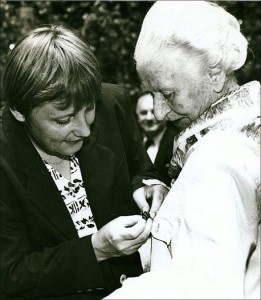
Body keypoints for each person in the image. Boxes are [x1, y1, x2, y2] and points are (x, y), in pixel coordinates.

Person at [0, 25, 169, 300]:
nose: (85, 130)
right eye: (63, 120)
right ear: (19, 111)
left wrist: (148, 185)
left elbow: (141, 170)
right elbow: (10, 276)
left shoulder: (113, 104)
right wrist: (96, 248)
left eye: (89, 108)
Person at [105, 1, 260, 299]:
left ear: (215, 74)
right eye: (151, 93)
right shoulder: (237, 136)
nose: (160, 112)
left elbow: (201, 289)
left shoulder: (219, 161)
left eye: (168, 93)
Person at [135, 92, 179, 185]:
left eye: (153, 112)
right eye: (143, 113)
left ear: (164, 113)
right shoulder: (131, 143)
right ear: (137, 116)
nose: (149, 117)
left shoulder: (178, 143)